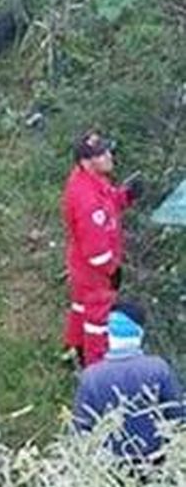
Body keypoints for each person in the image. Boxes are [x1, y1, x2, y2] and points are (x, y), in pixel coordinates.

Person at [62, 130, 143, 367]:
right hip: (94, 270)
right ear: (87, 162)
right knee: (98, 319)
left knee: (80, 306)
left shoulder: (91, 180)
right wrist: (112, 271)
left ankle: (73, 349)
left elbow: (109, 204)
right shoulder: (86, 200)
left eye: (107, 150)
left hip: (81, 264)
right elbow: (95, 250)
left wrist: (126, 196)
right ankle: (96, 368)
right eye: (101, 154)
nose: (109, 156)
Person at [72, 301, 183, 463]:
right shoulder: (158, 368)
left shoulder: (92, 376)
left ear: (110, 334)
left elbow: (81, 429)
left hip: (109, 471)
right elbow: (178, 417)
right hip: (157, 465)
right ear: (139, 333)